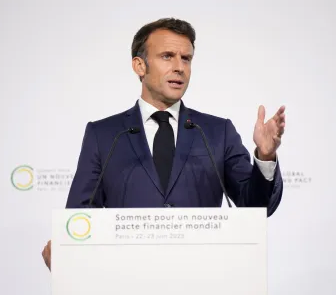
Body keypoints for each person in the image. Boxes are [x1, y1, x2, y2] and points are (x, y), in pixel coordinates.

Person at [42, 17, 286, 270]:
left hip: (203, 277)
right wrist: (67, 252)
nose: (179, 67)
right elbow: (80, 217)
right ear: (139, 66)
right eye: (167, 56)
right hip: (126, 278)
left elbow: (257, 207)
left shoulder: (216, 131)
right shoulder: (104, 134)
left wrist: (265, 157)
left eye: (186, 58)